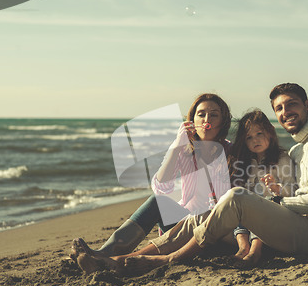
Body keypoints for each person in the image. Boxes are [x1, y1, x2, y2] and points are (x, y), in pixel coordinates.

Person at [76, 83, 308, 275]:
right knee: (184, 208)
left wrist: (278, 200)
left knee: (231, 199)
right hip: (218, 222)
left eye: (291, 105)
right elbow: (161, 188)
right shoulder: (299, 147)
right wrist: (178, 147)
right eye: (280, 109)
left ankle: (165, 259)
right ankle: (116, 257)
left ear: (307, 104)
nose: (285, 113)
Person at [70, 93, 232, 270]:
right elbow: (161, 187)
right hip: (183, 225)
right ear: (192, 120)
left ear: (223, 121)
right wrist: (178, 145)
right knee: (158, 200)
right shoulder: (184, 150)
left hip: (215, 230)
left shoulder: (231, 151)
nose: (206, 119)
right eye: (201, 114)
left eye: (214, 114)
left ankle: (107, 260)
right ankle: (104, 253)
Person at [228, 109, 296, 266]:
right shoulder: (248, 162)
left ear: (270, 132)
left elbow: (292, 187)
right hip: (252, 207)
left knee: (265, 202)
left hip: (275, 207)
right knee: (241, 206)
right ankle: (243, 248)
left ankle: (255, 251)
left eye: (259, 134)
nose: (255, 140)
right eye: (249, 137)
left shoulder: (281, 159)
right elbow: (246, 188)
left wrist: (276, 187)